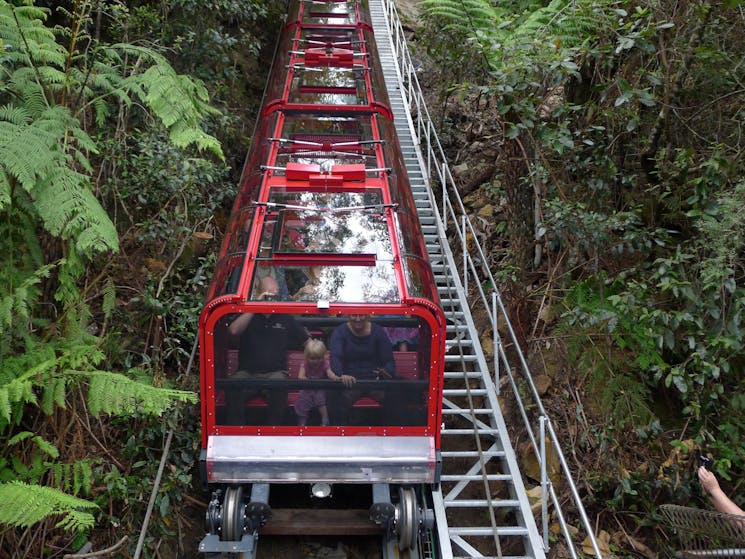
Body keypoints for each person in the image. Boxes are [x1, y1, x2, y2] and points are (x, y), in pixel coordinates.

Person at [226, 276, 308, 425]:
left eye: (275, 293)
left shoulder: (285, 318)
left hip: (274, 373)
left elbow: (306, 341)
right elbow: (233, 331)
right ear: (259, 293)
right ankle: (236, 432)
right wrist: (255, 306)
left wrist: (317, 360)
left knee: (279, 385)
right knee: (233, 387)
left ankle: (273, 432)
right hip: (247, 373)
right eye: (268, 294)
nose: (272, 297)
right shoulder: (247, 314)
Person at [328, 314, 395, 425]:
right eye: (354, 315)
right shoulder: (340, 332)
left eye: (361, 315)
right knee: (335, 398)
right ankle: (339, 435)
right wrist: (341, 375)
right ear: (348, 316)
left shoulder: (378, 332)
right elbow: (335, 358)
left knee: (395, 396)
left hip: (375, 381)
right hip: (349, 383)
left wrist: (385, 372)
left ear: (367, 315)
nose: (358, 319)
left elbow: (389, 360)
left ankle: (394, 435)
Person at [294, 339, 339, 426]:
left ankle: (325, 420)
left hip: (319, 387)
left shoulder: (325, 364)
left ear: (323, 357)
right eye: (312, 358)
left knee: (320, 400)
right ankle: (302, 423)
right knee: (304, 401)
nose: (316, 361)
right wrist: (304, 379)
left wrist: (334, 377)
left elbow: (330, 373)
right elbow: (300, 376)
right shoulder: (305, 364)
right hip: (308, 388)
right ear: (307, 357)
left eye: (319, 358)